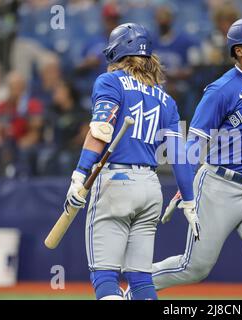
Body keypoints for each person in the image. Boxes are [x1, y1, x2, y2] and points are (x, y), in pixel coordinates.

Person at [152, 17, 242, 300]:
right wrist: (186, 184)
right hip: (220, 187)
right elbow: (194, 144)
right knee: (194, 268)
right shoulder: (220, 90)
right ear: (239, 50)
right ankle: (137, 286)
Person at [63, 23, 198, 300]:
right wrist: (189, 200)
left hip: (116, 184)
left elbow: (100, 132)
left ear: (116, 52)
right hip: (150, 188)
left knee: (105, 277)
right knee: (141, 280)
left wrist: (79, 175)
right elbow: (179, 155)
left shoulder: (109, 81)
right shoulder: (167, 100)